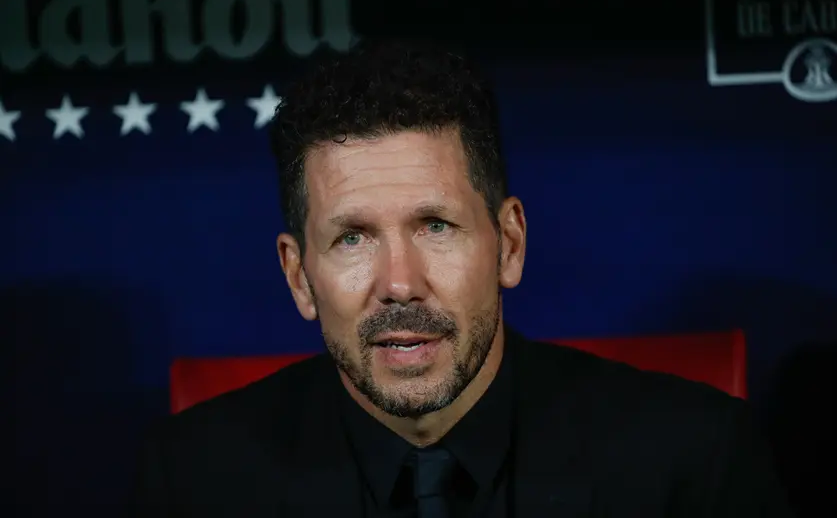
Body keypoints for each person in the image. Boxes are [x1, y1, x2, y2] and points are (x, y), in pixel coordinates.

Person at [131, 40, 794, 518]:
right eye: (352, 238)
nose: (398, 283)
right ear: (298, 276)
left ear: (508, 244)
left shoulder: (693, 461)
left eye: (435, 227)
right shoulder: (191, 482)